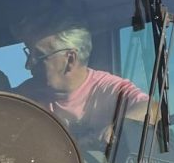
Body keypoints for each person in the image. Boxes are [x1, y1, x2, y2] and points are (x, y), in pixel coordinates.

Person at [17, 21, 151, 149]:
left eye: (39, 56)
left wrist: (119, 127)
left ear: (70, 59)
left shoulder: (105, 86)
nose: (28, 65)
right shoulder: (26, 95)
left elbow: (151, 109)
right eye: (29, 54)